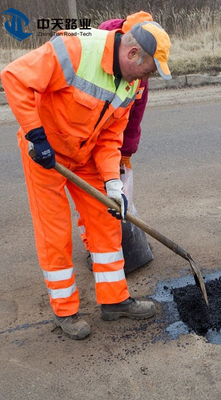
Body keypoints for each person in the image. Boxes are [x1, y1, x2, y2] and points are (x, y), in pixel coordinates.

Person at [1, 20, 171, 340]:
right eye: (148, 70)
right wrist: (37, 137)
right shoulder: (76, 48)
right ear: (133, 53)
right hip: (45, 154)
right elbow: (14, 77)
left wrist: (113, 184)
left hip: (87, 155)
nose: (147, 79)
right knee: (55, 232)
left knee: (106, 224)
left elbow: (110, 136)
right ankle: (65, 311)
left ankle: (114, 301)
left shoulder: (130, 83)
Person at [77, 11, 153, 257]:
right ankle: (93, 244)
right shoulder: (95, 51)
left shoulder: (139, 65)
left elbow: (135, 111)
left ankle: (119, 248)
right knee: (90, 197)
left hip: (109, 138)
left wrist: (126, 151)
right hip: (80, 138)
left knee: (115, 193)